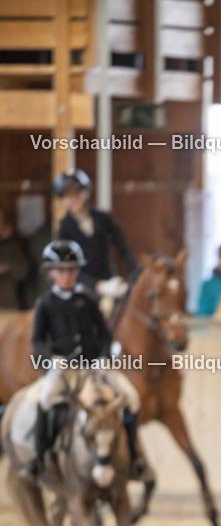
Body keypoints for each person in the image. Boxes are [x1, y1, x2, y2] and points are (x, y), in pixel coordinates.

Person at [25, 240, 145, 478]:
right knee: (46, 398)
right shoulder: (46, 304)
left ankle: (134, 455)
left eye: (71, 270)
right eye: (61, 271)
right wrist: (52, 359)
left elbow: (104, 334)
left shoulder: (88, 300)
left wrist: (103, 355)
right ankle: (40, 456)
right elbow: (38, 342)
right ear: (51, 274)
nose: (67, 276)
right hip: (63, 368)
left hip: (93, 367)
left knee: (131, 397)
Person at [55, 169, 137, 301]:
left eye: (77, 193)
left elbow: (123, 247)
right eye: (68, 196)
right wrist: (97, 285)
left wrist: (134, 275)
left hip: (109, 278)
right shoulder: (64, 228)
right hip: (81, 285)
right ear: (63, 199)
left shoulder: (104, 218)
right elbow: (68, 266)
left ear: (85, 193)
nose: (73, 199)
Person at [0, 206, 30, 309]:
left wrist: (6, 266)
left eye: (1, 220)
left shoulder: (11, 245)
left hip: (7, 305)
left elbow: (23, 271)